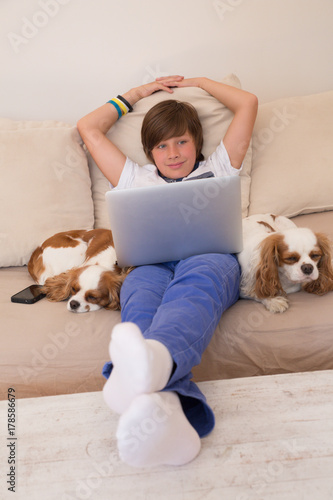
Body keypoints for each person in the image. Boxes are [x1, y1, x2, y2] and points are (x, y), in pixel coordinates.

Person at [77, 76, 258, 467]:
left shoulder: (219, 167)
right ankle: (168, 409)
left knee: (193, 292)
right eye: (161, 145)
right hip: (150, 262)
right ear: (149, 151)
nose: (173, 153)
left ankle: (143, 369)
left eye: (181, 141)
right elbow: (88, 128)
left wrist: (200, 82)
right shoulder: (133, 178)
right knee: (140, 299)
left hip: (209, 258)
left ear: (197, 142)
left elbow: (248, 103)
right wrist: (137, 94)